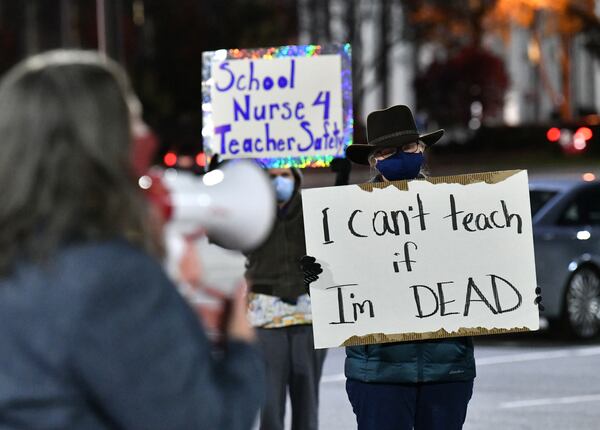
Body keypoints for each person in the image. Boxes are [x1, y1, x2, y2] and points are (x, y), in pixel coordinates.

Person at [0, 50, 264, 430]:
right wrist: (240, 348)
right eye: (133, 118)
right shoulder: (112, 278)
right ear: (99, 142)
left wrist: (168, 325)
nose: (145, 135)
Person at [303, 105, 476, 430]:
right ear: (374, 160)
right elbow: (335, 296)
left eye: (407, 147)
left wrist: (520, 295)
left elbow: (484, 273)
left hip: (445, 371)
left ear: (422, 149)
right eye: (387, 151)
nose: (399, 156)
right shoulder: (345, 219)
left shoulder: (456, 212)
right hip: (379, 375)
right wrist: (315, 276)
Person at [244, 166, 328, 430]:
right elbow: (221, 236)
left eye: (284, 175)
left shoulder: (315, 210)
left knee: (307, 401)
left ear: (296, 179)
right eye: (271, 176)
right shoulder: (253, 213)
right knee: (269, 403)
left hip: (309, 315)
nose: (278, 181)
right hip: (265, 317)